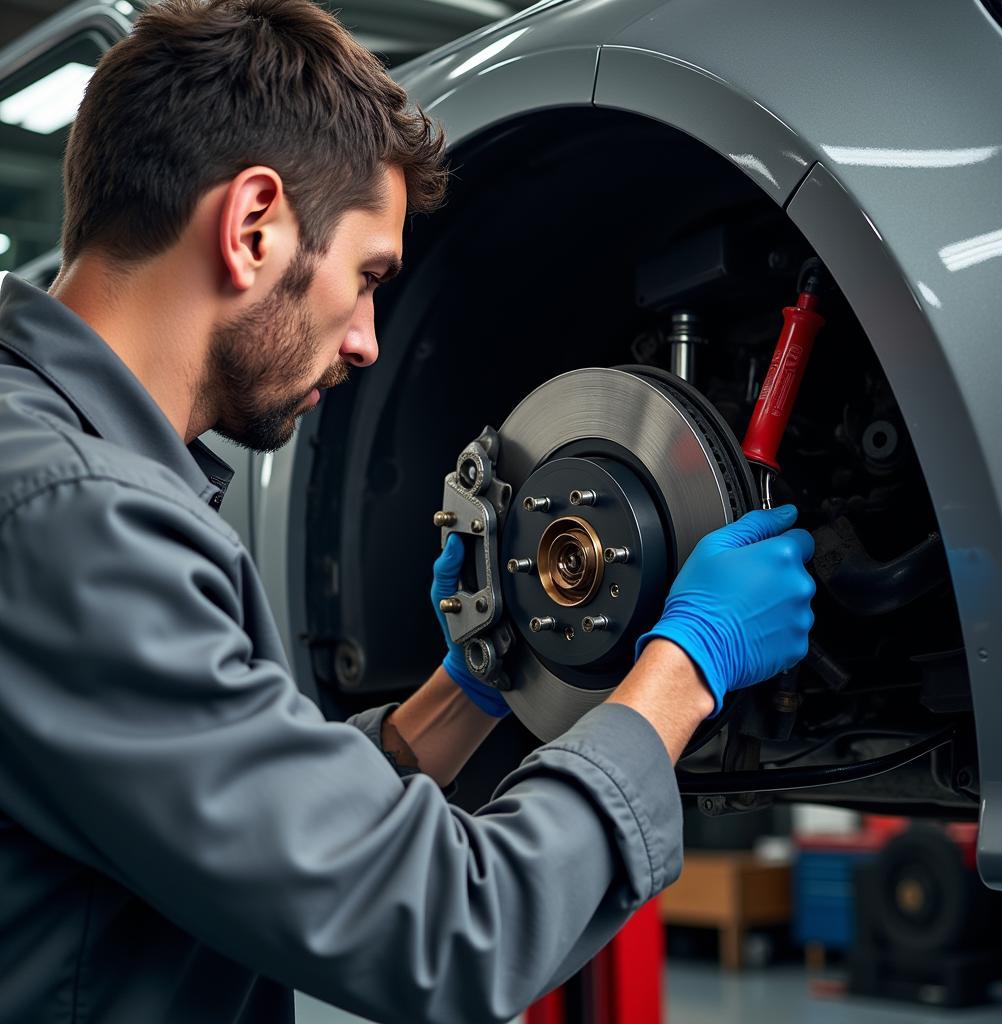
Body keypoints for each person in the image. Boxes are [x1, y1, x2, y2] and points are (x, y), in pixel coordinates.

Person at [0, 0, 816, 1021]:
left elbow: (268, 824)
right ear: (254, 226)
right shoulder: (73, 516)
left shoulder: (45, 468)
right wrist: (686, 663)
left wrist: (470, 688)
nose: (368, 343)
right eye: (367, 278)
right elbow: (446, 928)